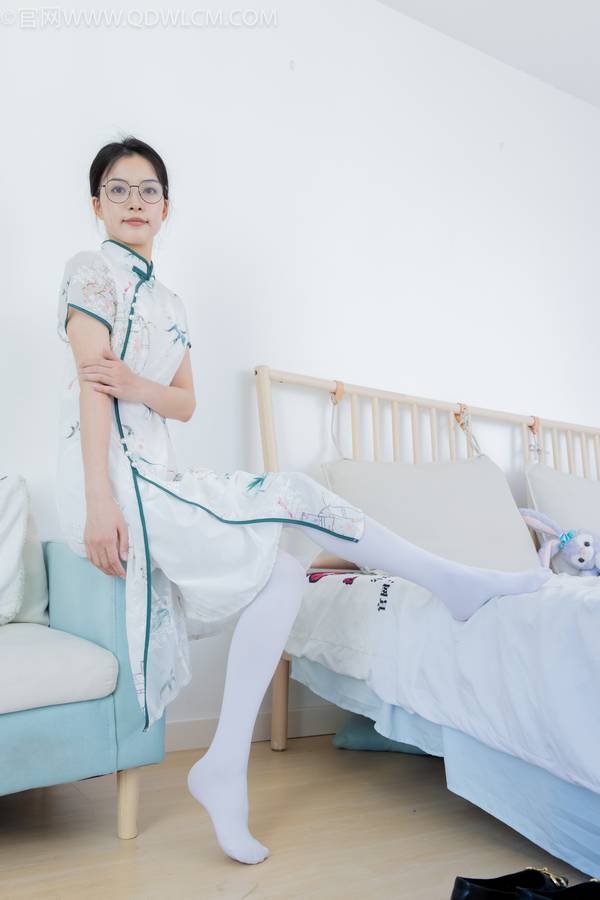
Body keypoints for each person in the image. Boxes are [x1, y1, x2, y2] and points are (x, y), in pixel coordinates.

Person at [55, 135, 551, 866]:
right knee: (295, 494)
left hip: (162, 472)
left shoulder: (170, 302)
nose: (135, 201)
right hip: (123, 481)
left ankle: (224, 764)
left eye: (148, 190)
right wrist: (100, 501)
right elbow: (92, 388)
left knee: (287, 567)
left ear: (166, 208)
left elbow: (184, 402)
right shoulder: (90, 270)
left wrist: (139, 384)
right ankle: (452, 582)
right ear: (96, 204)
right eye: (119, 190)